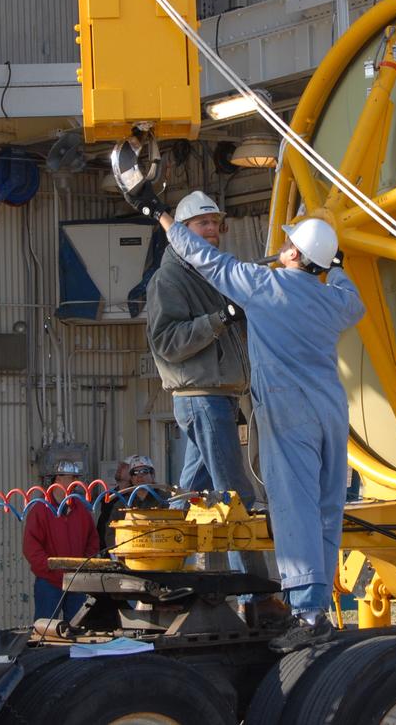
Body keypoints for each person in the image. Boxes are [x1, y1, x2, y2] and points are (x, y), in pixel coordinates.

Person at [127, 183, 365, 652]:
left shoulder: (263, 287)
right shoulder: (334, 300)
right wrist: (334, 266)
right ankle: (314, 601)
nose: (282, 246)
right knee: (325, 508)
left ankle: (308, 612)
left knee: (291, 507)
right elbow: (351, 296)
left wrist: (158, 211)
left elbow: (206, 259)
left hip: (287, 409)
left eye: (289, 242)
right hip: (332, 411)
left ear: (294, 254)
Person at [144, 191, 289, 626]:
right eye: (201, 224)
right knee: (236, 498)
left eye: (215, 223)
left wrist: (282, 261)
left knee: (189, 496)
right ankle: (259, 600)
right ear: (180, 233)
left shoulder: (208, 272)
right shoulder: (168, 280)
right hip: (203, 397)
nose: (211, 231)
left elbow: (247, 276)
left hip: (215, 396)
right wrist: (221, 318)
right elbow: (167, 343)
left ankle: (160, 579)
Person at [23, 460, 99, 622]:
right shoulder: (41, 510)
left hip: (76, 581)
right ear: (57, 479)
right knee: (45, 629)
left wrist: (83, 566)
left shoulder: (81, 510)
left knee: (78, 629)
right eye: (71, 478)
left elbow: (92, 541)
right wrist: (49, 568)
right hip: (49, 582)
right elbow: (31, 546)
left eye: (76, 478)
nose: (75, 482)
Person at [97, 454, 169, 550]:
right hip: (131, 557)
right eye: (135, 472)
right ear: (131, 478)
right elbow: (110, 532)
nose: (139, 476)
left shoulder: (166, 500)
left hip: (160, 553)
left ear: (152, 475)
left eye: (144, 471)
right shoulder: (122, 504)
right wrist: (119, 553)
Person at [95, 459, 131, 548]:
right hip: (104, 548)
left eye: (124, 466)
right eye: (120, 465)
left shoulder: (134, 498)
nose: (119, 468)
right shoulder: (109, 496)